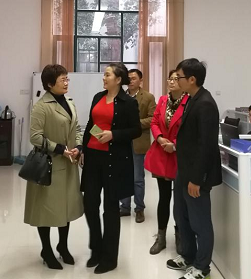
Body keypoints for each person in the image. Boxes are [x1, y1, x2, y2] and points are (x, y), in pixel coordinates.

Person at [80, 63, 141, 274]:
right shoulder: (98, 97)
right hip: (93, 157)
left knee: (110, 209)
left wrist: (113, 135)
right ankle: (96, 249)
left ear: (118, 79)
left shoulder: (128, 102)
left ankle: (109, 257)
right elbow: (91, 124)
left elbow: (135, 130)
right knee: (90, 204)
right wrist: (83, 148)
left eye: (107, 75)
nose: (104, 78)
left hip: (114, 160)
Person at [24, 64, 84, 270]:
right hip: (49, 166)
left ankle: (63, 246)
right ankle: (46, 249)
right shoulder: (41, 106)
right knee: (46, 210)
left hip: (69, 164)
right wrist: (59, 149)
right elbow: (35, 137)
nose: (67, 83)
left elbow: (77, 128)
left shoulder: (69, 102)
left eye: (67, 79)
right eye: (62, 80)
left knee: (66, 208)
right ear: (50, 84)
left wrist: (78, 147)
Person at [167, 58, 222, 279]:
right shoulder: (191, 98)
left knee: (200, 222)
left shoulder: (205, 103)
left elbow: (206, 146)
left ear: (192, 79)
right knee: (182, 216)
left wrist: (197, 179)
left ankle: (202, 267)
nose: (176, 80)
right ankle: (187, 255)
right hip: (184, 170)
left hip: (196, 175)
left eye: (179, 77)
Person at [144, 69, 189, 255]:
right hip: (162, 153)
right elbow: (154, 122)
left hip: (179, 155)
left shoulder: (189, 102)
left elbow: (189, 130)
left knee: (180, 200)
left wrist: (175, 145)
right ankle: (161, 237)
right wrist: (160, 138)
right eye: (170, 79)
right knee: (163, 198)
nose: (171, 82)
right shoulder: (163, 100)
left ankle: (180, 235)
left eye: (175, 79)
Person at [120, 68, 156, 223]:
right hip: (122, 142)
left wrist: (134, 124)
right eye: (128, 78)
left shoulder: (148, 97)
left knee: (137, 178)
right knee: (123, 175)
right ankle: (125, 206)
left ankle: (139, 208)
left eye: (134, 78)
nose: (130, 81)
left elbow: (152, 119)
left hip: (138, 141)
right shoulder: (120, 96)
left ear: (141, 80)